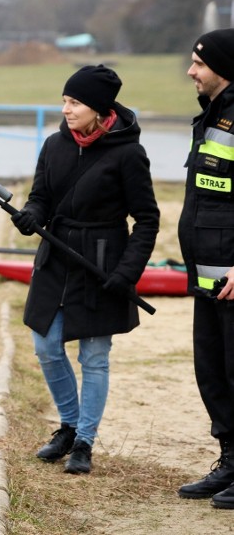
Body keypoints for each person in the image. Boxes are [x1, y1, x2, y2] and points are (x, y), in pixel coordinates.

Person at [10, 65, 159, 474]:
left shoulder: (129, 153)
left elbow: (146, 219)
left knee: (94, 357)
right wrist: (30, 215)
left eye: (74, 102)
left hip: (100, 263)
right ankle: (69, 426)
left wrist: (126, 272)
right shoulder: (54, 144)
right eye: (64, 100)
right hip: (55, 258)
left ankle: (85, 443)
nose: (66, 109)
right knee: (46, 346)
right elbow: (40, 197)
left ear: (98, 107)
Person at [176, 28, 234, 508]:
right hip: (208, 278)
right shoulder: (212, 117)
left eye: (198, 62)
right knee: (213, 372)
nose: (191, 71)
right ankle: (231, 460)